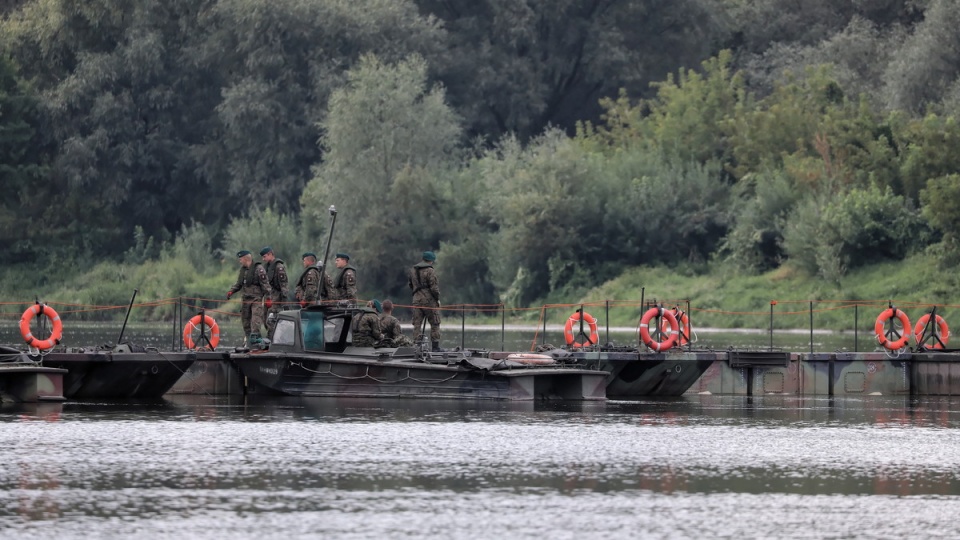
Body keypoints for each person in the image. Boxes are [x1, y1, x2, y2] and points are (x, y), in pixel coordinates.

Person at [226, 250, 272, 348]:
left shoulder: (259, 269)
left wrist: (268, 298)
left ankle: (256, 343)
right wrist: (231, 291)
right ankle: (248, 343)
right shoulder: (243, 270)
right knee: (245, 322)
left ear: (246, 258)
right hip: (245, 300)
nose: (240, 261)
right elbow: (239, 284)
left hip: (256, 300)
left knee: (255, 321)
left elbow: (266, 286)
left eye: (240, 259)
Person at [408, 250, 441, 351]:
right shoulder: (430, 271)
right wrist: (437, 299)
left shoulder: (413, 270)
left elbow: (410, 285)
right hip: (429, 301)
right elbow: (434, 288)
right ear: (431, 261)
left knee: (417, 324)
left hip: (416, 300)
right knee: (435, 323)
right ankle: (435, 347)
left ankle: (416, 346)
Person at [260, 246, 288, 339]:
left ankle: (272, 339)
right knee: (264, 319)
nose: (263, 259)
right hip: (268, 296)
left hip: (277, 297)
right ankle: (271, 337)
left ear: (270, 254)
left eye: (264, 256)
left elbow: (283, 284)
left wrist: (284, 301)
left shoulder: (279, 267)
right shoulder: (266, 267)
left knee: (271, 319)